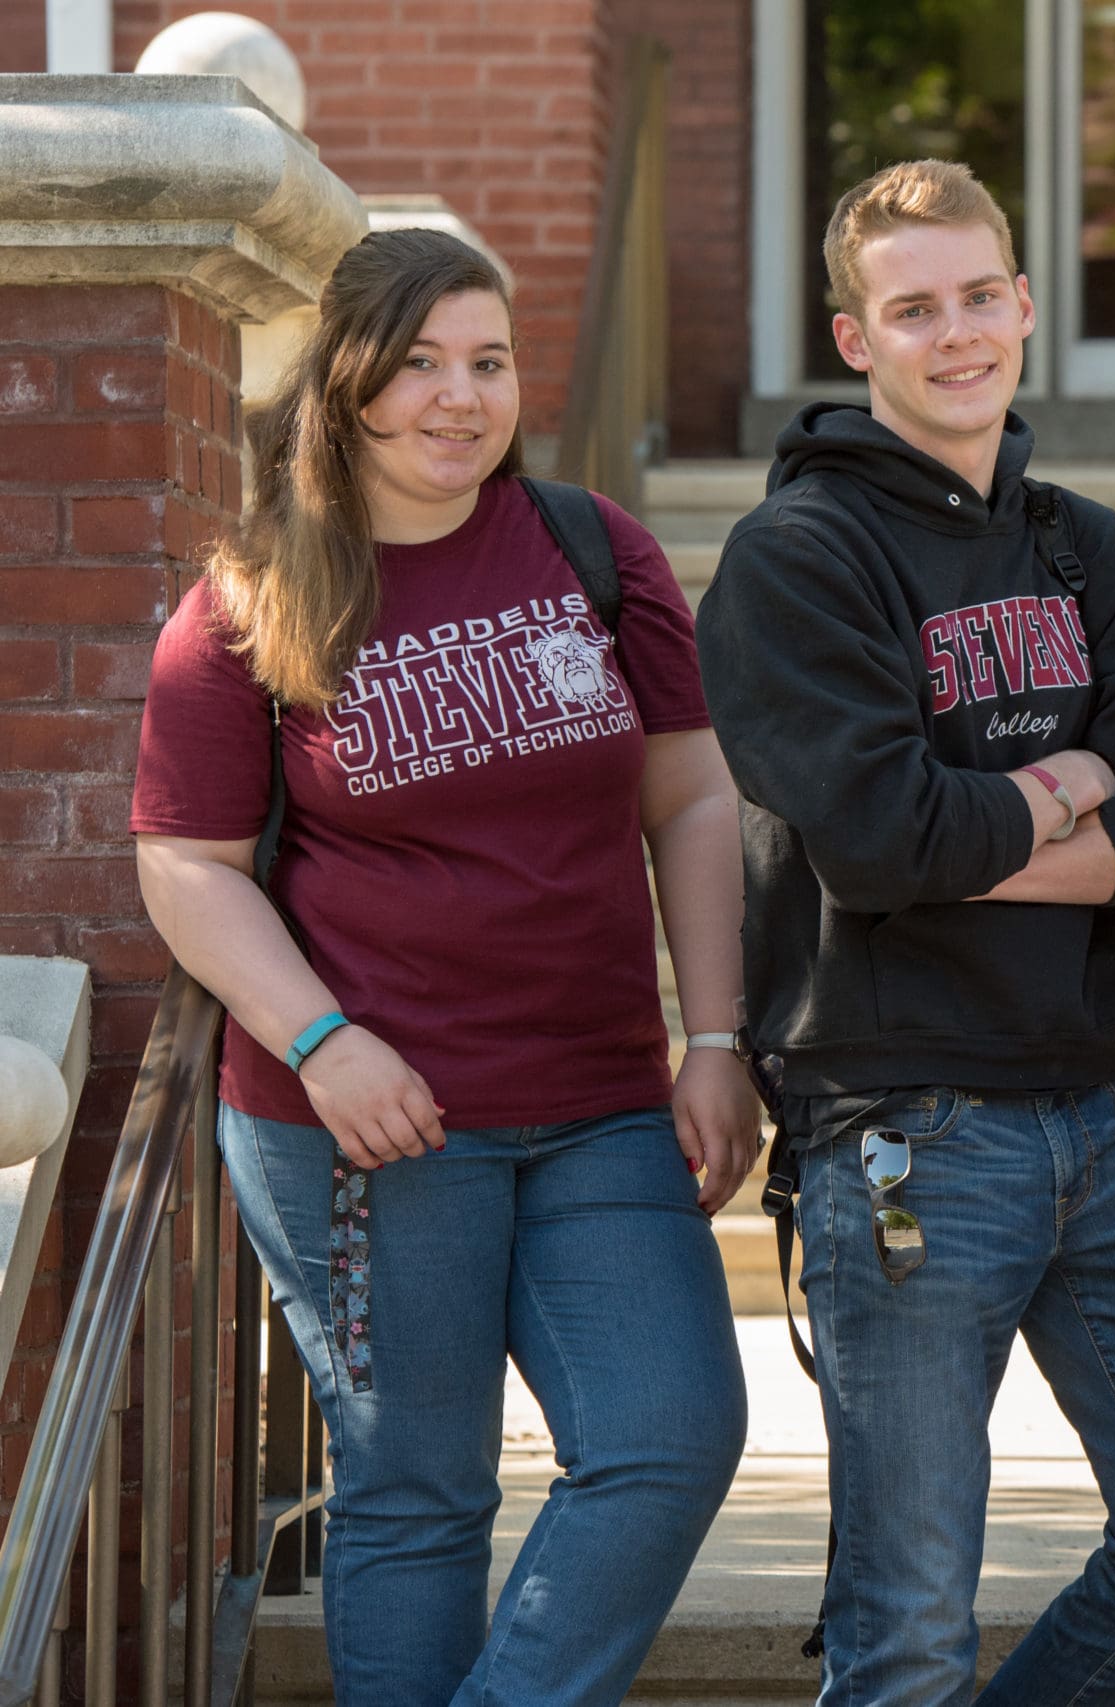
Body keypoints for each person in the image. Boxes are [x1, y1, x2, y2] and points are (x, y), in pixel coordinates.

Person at [131, 228, 755, 1706]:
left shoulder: (591, 546)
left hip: (601, 1100)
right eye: (418, 364)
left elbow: (695, 797)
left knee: (669, 1431)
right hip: (367, 1123)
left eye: (487, 360)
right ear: (344, 384)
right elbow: (186, 865)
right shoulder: (245, 607)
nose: (459, 398)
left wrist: (714, 1034)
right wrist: (325, 1038)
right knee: (418, 1489)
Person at [692, 159, 1115, 1707]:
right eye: (913, 308)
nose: (957, 335)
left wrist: (1015, 819)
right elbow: (876, 841)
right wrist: (1082, 782)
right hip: (912, 1132)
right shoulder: (799, 561)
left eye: (979, 297)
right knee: (908, 1619)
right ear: (856, 339)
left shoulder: (1079, 543)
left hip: (1106, 1108)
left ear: (1023, 305)